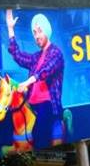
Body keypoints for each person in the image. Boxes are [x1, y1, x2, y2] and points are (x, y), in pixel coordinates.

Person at [5, 9, 65, 150]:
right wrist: (10, 30)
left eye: (39, 31)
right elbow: (18, 56)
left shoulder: (56, 53)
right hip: (31, 104)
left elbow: (44, 71)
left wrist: (26, 82)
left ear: (47, 31)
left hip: (48, 105)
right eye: (34, 33)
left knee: (38, 134)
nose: (37, 36)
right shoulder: (36, 56)